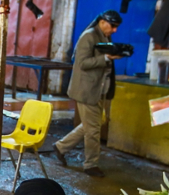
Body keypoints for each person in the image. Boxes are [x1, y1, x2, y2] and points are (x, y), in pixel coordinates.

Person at [53, 10, 123, 178]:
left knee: (92, 124)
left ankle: (61, 147)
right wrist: (106, 58)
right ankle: (90, 164)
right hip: (86, 90)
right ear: (103, 22)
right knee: (93, 130)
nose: (114, 30)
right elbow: (82, 63)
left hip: (98, 90)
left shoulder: (104, 36)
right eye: (113, 26)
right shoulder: (89, 36)